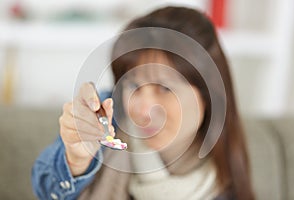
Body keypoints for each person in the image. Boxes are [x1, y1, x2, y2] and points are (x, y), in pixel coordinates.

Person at [32, 6, 255, 200]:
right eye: (133, 86)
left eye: (165, 88)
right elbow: (47, 189)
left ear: (209, 95)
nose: (143, 109)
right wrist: (76, 161)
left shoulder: (224, 180)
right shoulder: (104, 117)